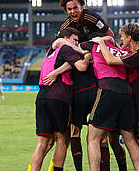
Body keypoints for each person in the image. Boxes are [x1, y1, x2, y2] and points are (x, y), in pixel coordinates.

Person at [93, 23, 139, 171]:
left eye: (123, 36)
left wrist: (102, 42)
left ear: (130, 37)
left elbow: (111, 60)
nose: (121, 38)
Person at [58, 0, 115, 170]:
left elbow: (111, 36)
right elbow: (58, 47)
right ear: (66, 10)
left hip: (97, 75)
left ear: (82, 6)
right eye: (69, 9)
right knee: (76, 131)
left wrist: (90, 46)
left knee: (100, 133)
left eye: (76, 7)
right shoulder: (65, 27)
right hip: (79, 77)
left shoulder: (93, 18)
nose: (73, 11)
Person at [29, 27, 92, 171]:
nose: (77, 43)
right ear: (67, 38)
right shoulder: (66, 49)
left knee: (42, 142)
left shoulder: (50, 53)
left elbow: (65, 59)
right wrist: (86, 55)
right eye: (75, 40)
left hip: (42, 96)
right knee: (62, 139)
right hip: (58, 96)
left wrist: (58, 71)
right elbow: (81, 67)